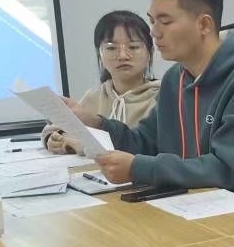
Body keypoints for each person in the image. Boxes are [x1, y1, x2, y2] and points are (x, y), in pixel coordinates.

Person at [65, 0, 234, 210]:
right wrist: (95, 122)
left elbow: (226, 169)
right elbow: (145, 142)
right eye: (152, 21)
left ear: (204, 25)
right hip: (191, 206)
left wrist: (138, 168)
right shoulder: (175, 78)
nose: (154, 32)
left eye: (165, 21)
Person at [45, 10, 160, 154]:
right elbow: (58, 128)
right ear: (99, 53)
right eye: (111, 48)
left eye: (133, 47)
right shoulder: (94, 96)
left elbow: (145, 146)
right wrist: (55, 138)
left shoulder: (160, 97)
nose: (123, 56)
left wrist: (80, 145)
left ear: (150, 52)